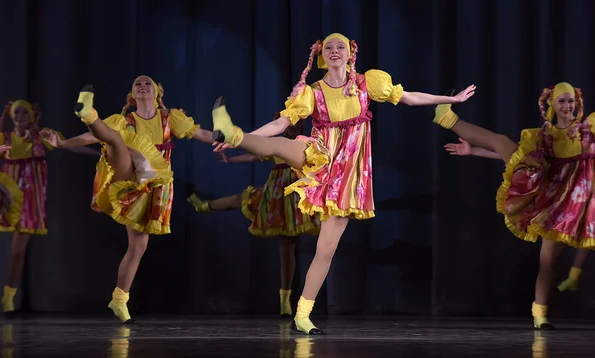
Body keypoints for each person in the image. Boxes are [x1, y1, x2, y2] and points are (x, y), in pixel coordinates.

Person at [210, 33, 476, 334]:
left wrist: (451, 99)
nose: (334, 50)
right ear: (322, 55)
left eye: (340, 46)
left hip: (349, 174)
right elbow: (282, 123)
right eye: (329, 47)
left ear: (350, 53)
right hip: (320, 155)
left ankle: (302, 314)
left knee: (326, 249)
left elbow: (409, 97)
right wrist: (242, 140)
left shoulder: (367, 83)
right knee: (280, 146)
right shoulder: (312, 92)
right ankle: (232, 134)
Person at [42, 75, 216, 323]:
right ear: (132, 95)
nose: (142, 85)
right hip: (127, 172)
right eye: (138, 84)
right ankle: (88, 113)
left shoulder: (170, 118)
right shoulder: (125, 120)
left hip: (152, 181)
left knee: (137, 247)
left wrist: (229, 138)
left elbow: (201, 133)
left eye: (147, 83)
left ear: (157, 92)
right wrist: (63, 143)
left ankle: (119, 299)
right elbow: (91, 137)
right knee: (113, 138)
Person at [437, 82, 595, 329]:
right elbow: (512, 155)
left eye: (571, 101)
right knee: (548, 264)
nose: (567, 106)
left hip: (575, 202)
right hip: (549, 200)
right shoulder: (545, 136)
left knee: (572, 247)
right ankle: (540, 315)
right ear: (552, 104)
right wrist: (474, 151)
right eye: (562, 101)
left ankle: (447, 118)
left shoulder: (588, 130)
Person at [188, 115, 321, 317]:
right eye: (288, 122)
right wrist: (231, 159)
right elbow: (254, 156)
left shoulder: (306, 144)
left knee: (288, 246)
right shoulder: (276, 144)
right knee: (241, 199)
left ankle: (285, 298)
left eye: (296, 121)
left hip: (296, 197)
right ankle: (204, 206)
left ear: (302, 124)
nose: (293, 125)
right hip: (274, 196)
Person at [0, 100, 96, 317]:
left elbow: (71, 145)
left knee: (17, 251)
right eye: (17, 112)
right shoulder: (4, 139)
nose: (20, 115)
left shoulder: (42, 136)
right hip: (6, 191)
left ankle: (8, 297)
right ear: (11, 115)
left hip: (28, 199)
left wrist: (99, 154)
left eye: (24, 111)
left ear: (32, 115)